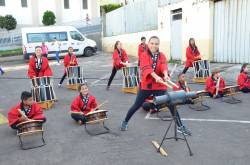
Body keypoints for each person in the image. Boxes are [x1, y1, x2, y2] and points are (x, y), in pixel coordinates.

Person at [120, 36, 191, 135]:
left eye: (156, 44)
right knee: (137, 105)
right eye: (152, 43)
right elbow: (146, 68)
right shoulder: (143, 55)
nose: (154, 45)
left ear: (158, 45)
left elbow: (163, 65)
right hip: (147, 86)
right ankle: (125, 121)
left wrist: (165, 75)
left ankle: (180, 126)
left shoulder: (161, 55)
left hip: (159, 86)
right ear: (148, 44)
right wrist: (155, 76)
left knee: (171, 103)